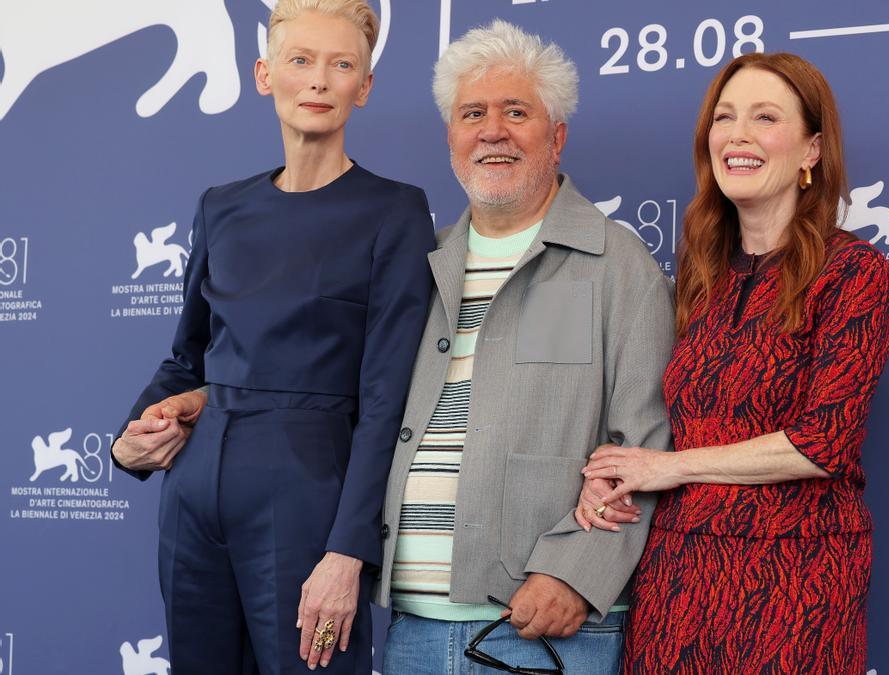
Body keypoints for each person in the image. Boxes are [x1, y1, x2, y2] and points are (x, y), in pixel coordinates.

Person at [137, 19, 674, 675]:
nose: (492, 130)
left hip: (536, 622)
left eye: (517, 112)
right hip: (415, 626)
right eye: (472, 113)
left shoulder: (618, 266)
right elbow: (322, 374)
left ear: (557, 136)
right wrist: (188, 402)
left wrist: (576, 573)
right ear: (451, 135)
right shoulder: (430, 258)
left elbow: (643, 449)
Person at [110, 1, 433, 672]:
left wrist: (349, 551)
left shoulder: (394, 211)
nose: (319, 80)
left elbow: (386, 404)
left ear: (364, 86)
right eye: (301, 61)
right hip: (194, 497)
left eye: (342, 64)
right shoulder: (221, 206)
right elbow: (184, 358)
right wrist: (130, 440)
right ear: (264, 75)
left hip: (310, 490)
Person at [574, 52, 889, 673]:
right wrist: (612, 474)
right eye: (724, 118)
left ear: (812, 150)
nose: (737, 135)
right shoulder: (697, 278)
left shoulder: (854, 272)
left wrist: (668, 467)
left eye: (765, 117)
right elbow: (652, 417)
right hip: (676, 580)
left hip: (796, 580)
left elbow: (823, 443)